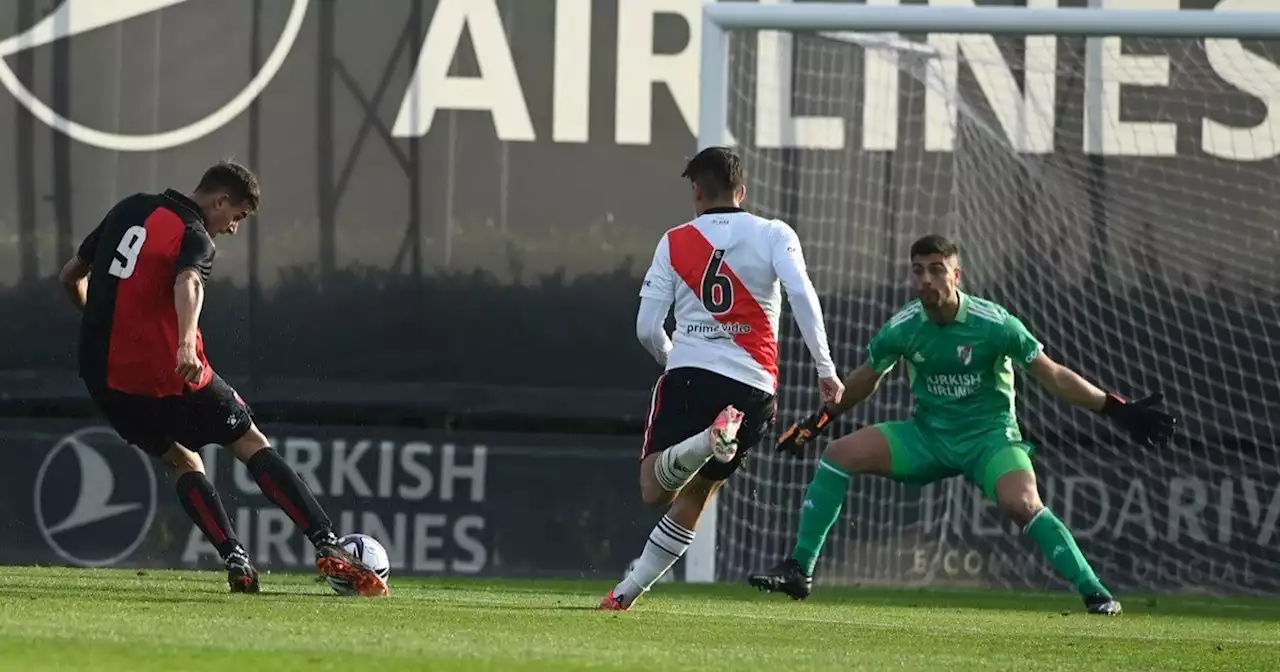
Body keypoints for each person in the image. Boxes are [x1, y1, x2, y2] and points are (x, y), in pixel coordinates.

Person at [747, 234, 1177, 615]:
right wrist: (817, 422)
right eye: (918, 271)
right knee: (839, 455)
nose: (926, 280)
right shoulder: (905, 326)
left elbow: (1053, 374)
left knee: (1023, 504)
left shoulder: (995, 324)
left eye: (937, 270)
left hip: (990, 440)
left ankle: (1095, 592)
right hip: (929, 437)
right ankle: (799, 569)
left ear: (958, 275)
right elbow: (864, 381)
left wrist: (1115, 408)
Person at [57, 161, 388, 597]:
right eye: (237, 216)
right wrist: (184, 345)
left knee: (181, 460)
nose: (232, 228)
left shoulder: (128, 209)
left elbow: (70, 277)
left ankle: (235, 558)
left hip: (105, 377)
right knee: (250, 443)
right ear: (219, 200)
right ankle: (327, 542)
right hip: (170, 371)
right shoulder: (194, 234)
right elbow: (189, 282)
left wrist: (104, 320)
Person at [599, 147, 843, 611]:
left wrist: (673, 357)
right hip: (754, 389)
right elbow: (801, 293)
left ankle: (704, 441)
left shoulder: (674, 241)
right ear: (741, 191)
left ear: (696, 191)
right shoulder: (775, 233)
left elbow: (647, 328)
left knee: (655, 489)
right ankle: (625, 594)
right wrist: (825, 369)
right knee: (700, 489)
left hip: (691, 374)